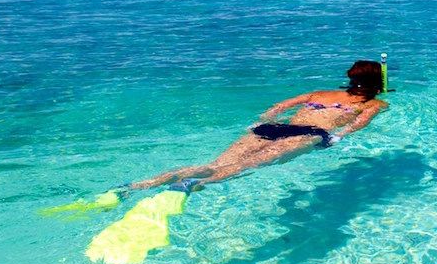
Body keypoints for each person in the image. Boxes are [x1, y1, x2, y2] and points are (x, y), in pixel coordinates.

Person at [131, 60, 388, 192]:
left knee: (215, 164)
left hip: (273, 127)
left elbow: (278, 107)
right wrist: (338, 137)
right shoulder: (375, 104)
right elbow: (358, 125)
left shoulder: (318, 93)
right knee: (243, 167)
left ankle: (138, 186)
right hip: (309, 135)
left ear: (349, 77)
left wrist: (263, 121)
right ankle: (191, 186)